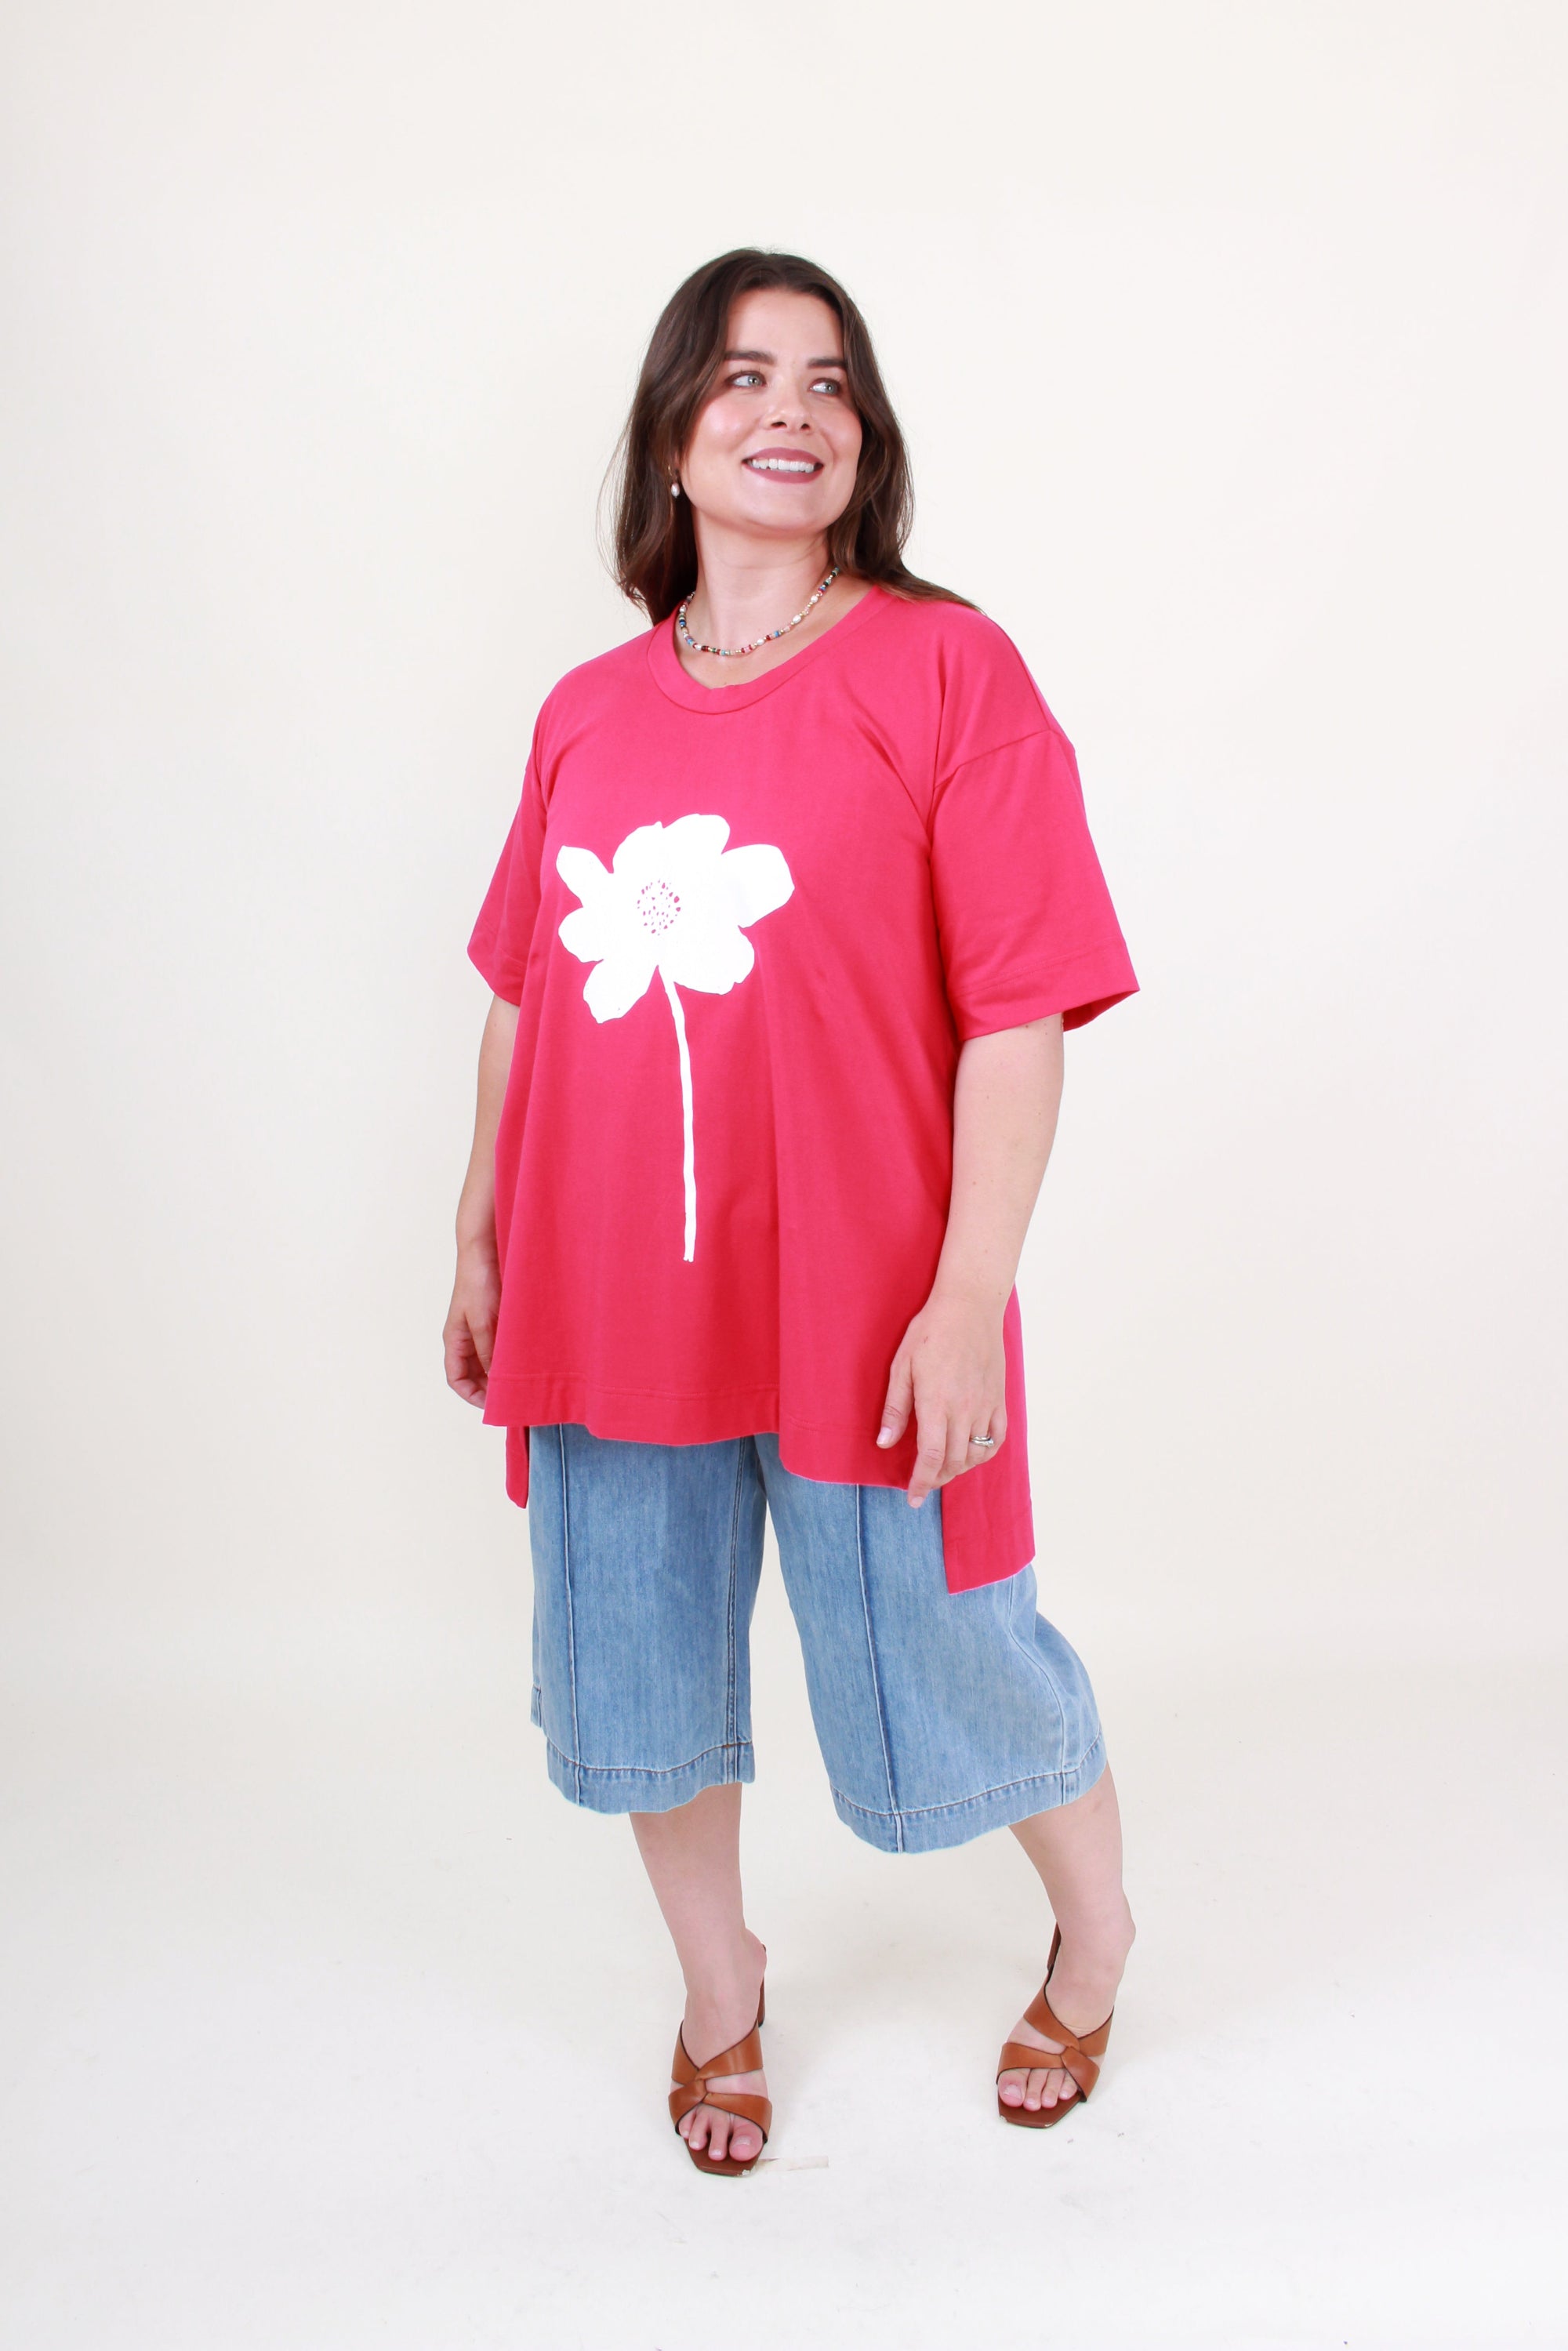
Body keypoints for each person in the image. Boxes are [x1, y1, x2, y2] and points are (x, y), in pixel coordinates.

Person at [445, 249, 1140, 2175]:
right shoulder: (587, 708)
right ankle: (721, 1997)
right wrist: (479, 1236)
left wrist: (964, 1293)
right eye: (745, 377)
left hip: (865, 1292)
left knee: (953, 1649)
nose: (791, 413)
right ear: (674, 435)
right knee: (641, 1662)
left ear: (866, 436)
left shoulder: (944, 667)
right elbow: (525, 991)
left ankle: (1093, 1936)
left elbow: (1019, 1009)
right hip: (609, 1296)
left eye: (830, 383)